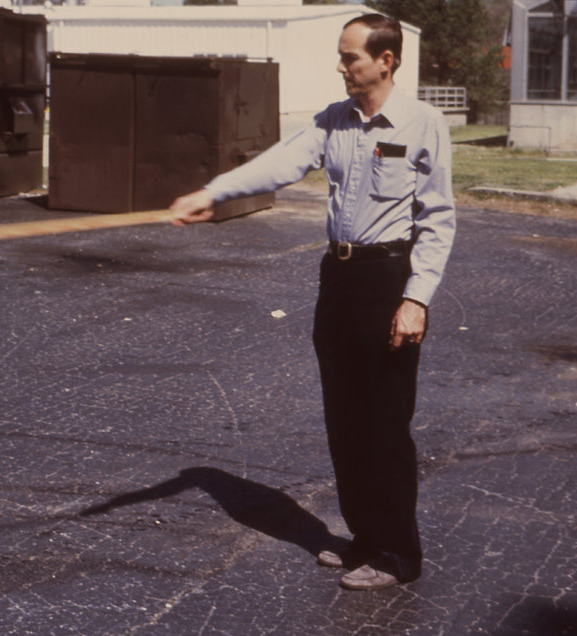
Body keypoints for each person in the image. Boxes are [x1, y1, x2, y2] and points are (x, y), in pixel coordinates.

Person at [169, 13, 455, 591]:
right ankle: (365, 540)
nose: (342, 66)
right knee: (345, 420)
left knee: (385, 424)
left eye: (352, 57)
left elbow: (439, 219)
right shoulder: (335, 120)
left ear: (385, 60)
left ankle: (399, 554)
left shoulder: (424, 124)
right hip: (340, 278)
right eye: (342, 55)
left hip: (388, 279)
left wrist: (416, 299)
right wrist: (214, 191)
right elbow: (282, 161)